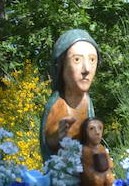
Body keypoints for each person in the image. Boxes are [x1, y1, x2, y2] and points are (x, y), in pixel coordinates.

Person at [39, 29, 100, 159]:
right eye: (77, 60)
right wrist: (58, 137)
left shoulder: (87, 100)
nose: (86, 69)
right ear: (62, 66)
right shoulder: (57, 104)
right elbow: (47, 144)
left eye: (92, 60)